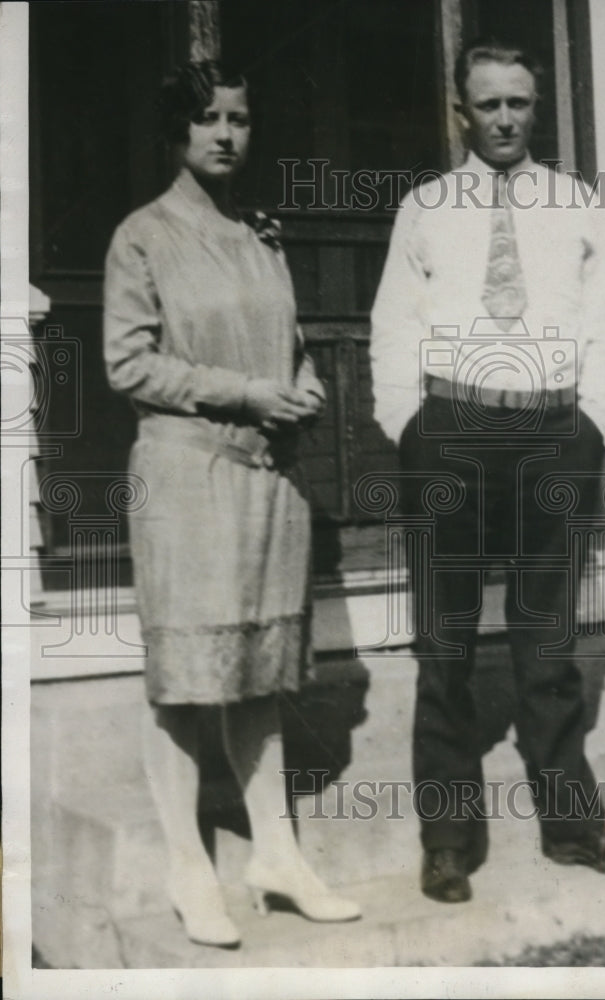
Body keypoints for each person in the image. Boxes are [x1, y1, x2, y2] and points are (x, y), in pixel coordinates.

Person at [370, 39, 605, 904]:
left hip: (552, 434)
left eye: (518, 104)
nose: (503, 118)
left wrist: (594, 426)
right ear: (462, 111)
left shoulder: (577, 204)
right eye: (487, 104)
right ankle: (449, 840)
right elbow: (393, 325)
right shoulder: (426, 206)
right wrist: (409, 426)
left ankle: (571, 826)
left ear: (536, 109)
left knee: (548, 644)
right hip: (451, 431)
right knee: (445, 644)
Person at [104, 60, 361, 948]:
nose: (225, 133)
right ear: (177, 129)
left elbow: (287, 349)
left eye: (240, 118)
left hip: (264, 480)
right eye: (208, 117)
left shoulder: (262, 236)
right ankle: (188, 868)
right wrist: (248, 391)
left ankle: (276, 857)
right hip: (184, 477)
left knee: (257, 674)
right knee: (185, 684)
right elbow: (127, 363)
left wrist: (301, 387)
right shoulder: (142, 236)